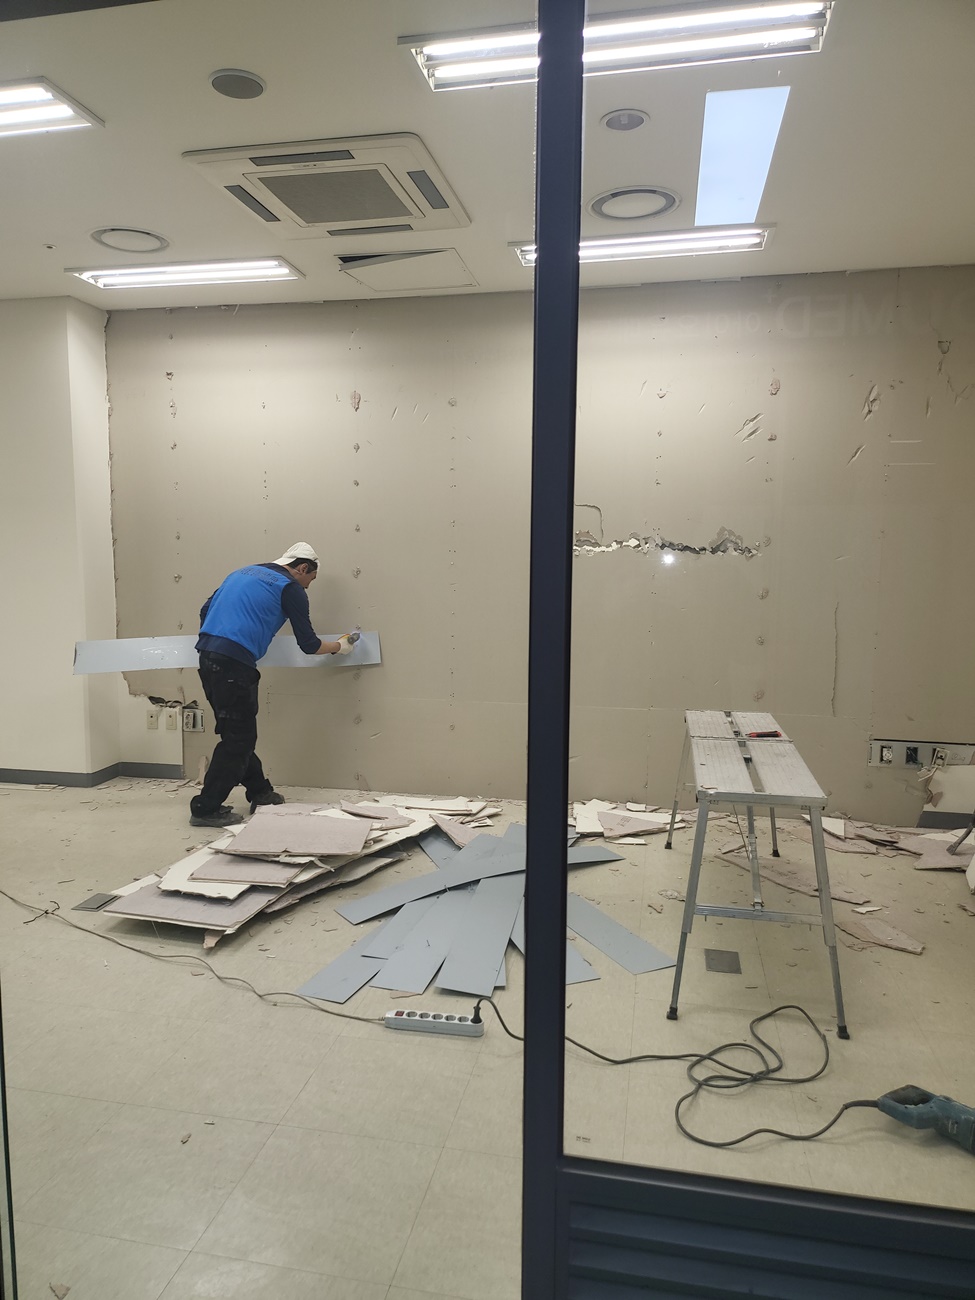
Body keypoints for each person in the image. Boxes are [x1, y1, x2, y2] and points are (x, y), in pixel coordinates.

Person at [189, 542, 350, 827]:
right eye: (311, 579)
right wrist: (340, 646)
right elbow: (309, 644)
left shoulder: (242, 572)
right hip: (234, 664)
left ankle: (261, 792)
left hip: (208, 656)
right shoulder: (291, 588)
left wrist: (228, 635)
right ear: (303, 568)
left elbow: (205, 610)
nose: (308, 586)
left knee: (237, 733)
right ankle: (205, 808)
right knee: (239, 739)